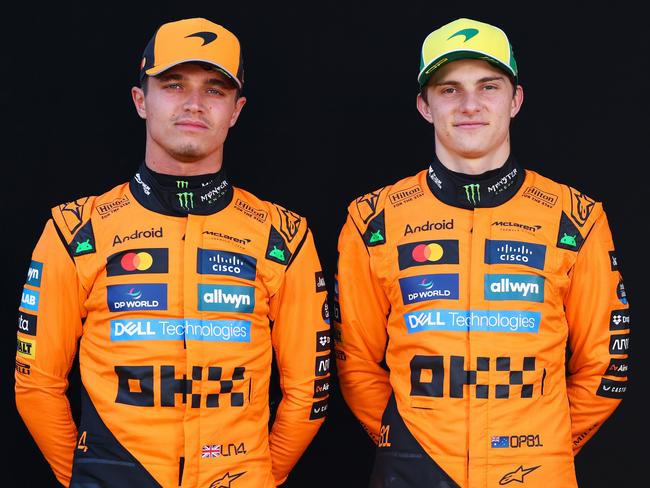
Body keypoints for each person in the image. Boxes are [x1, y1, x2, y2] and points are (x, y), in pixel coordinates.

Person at [15, 17, 331, 488]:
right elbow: (36, 384)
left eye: (215, 90)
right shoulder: (74, 229)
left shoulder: (284, 236)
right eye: (174, 84)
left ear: (237, 110)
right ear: (141, 100)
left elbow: (310, 391)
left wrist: (258, 476)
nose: (194, 104)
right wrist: (86, 478)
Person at [333, 17, 629, 487]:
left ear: (515, 100)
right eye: (449, 90)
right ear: (424, 105)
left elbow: (605, 364)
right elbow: (354, 362)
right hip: (413, 468)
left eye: (488, 86)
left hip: (537, 470)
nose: (470, 105)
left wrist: (542, 442)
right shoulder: (373, 219)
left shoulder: (576, 216)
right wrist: (411, 442)